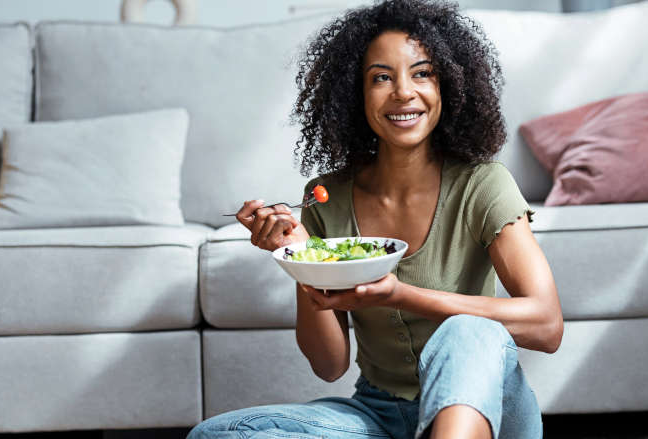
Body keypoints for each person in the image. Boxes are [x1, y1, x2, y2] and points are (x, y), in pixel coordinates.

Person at [188, 0, 562, 437]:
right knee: (220, 434)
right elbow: (329, 365)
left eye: (422, 73)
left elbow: (547, 325)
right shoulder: (325, 197)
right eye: (381, 78)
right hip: (379, 415)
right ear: (355, 94)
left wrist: (397, 294)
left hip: (487, 407)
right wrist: (301, 256)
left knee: (468, 331)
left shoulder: (482, 184)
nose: (403, 91)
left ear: (448, 87)